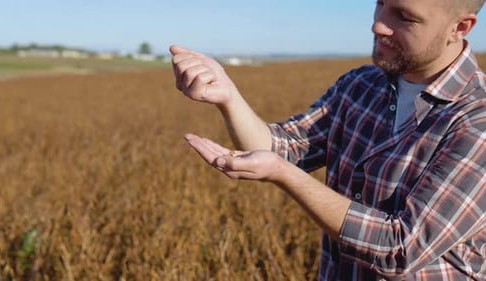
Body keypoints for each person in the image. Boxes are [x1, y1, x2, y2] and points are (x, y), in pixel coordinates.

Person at [170, 0, 485, 280]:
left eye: (404, 16)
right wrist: (228, 96)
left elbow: (400, 248)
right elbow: (284, 148)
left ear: (460, 27)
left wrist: (284, 175)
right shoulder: (360, 85)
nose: (377, 23)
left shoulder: (477, 120)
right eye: (380, 4)